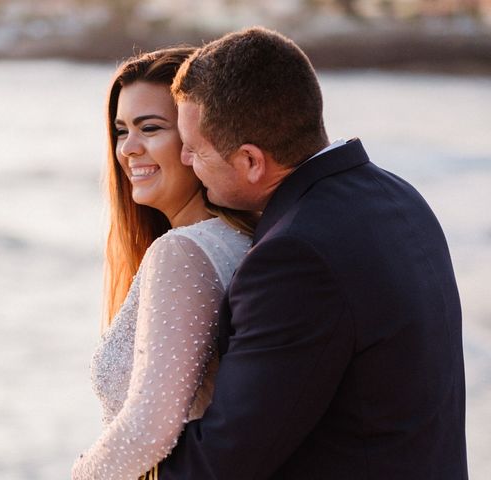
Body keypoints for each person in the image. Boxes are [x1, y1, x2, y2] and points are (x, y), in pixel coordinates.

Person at [157, 27, 468, 479]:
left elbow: (223, 463)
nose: (184, 160)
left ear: (250, 161)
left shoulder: (295, 258)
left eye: (194, 149)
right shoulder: (399, 196)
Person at [71, 47, 257, 479]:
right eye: (121, 131)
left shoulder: (185, 252)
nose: (129, 149)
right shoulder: (241, 240)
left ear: (197, 139)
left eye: (150, 128)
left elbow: (149, 430)